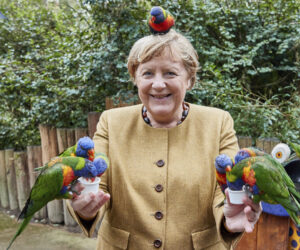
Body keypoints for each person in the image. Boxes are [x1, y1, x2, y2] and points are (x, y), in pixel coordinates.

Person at [67, 25, 261, 250]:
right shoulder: (111, 122)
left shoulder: (218, 123)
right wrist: (84, 206)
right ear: (136, 78)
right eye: (147, 73)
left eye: (170, 73)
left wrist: (231, 218)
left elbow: (227, 187)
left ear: (189, 79)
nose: (158, 84)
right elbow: (96, 182)